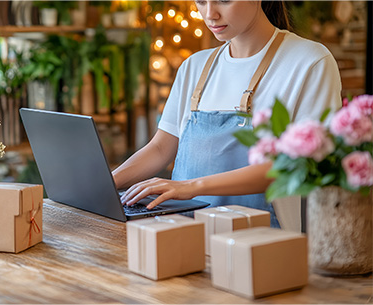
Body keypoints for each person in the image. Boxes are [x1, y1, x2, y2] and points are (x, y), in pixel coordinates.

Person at [113, 0, 342, 227]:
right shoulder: (194, 66)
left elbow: (296, 164)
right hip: (181, 234)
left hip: (262, 244)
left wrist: (191, 187)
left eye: (224, 0)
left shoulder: (310, 62)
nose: (210, 14)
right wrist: (104, 184)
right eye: (201, 2)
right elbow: (161, 148)